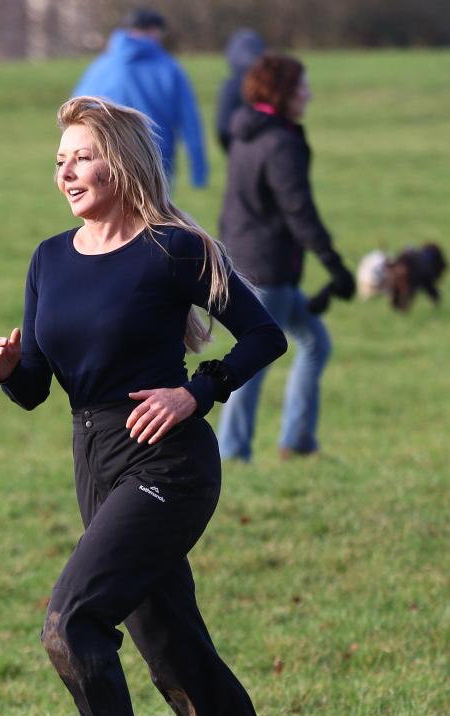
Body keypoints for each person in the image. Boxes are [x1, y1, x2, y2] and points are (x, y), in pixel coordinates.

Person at [0, 95, 319, 716]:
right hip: (95, 463)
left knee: (70, 623)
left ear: (121, 162)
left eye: (83, 155)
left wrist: (196, 392)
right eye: (60, 158)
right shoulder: (48, 259)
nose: (66, 170)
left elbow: (266, 334)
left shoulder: (172, 249)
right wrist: (9, 373)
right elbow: (38, 387)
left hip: (169, 464)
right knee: (174, 652)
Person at [217, 53, 355, 461]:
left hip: (251, 263)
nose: (308, 94)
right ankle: (231, 452)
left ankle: (296, 441)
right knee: (252, 363)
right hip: (267, 271)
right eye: (302, 87)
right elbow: (299, 210)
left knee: (315, 342)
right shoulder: (278, 142)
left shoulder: (247, 133)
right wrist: (335, 264)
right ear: (283, 92)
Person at [72, 8, 208, 188]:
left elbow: (74, 117)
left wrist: (76, 159)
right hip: (155, 162)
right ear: (153, 31)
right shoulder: (169, 68)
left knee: (109, 215)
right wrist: (198, 169)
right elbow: (189, 120)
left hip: (105, 161)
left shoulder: (99, 68)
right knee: (152, 215)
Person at [215, 28, 265, 153]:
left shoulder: (229, 87)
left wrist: (235, 152)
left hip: (238, 153)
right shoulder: (269, 87)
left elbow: (222, 128)